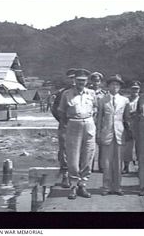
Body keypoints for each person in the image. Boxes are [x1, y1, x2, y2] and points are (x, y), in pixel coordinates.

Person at [58, 68, 97, 199]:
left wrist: (91, 123)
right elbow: (62, 112)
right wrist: (65, 127)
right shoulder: (67, 94)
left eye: (84, 80)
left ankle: (83, 185)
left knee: (88, 155)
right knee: (73, 158)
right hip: (73, 124)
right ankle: (73, 186)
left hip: (89, 124)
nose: (81, 83)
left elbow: (95, 109)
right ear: (74, 80)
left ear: (87, 81)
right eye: (79, 80)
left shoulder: (92, 93)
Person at [97, 74, 130, 196]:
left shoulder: (125, 100)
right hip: (107, 133)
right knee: (106, 162)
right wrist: (98, 133)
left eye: (117, 85)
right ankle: (106, 187)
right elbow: (99, 118)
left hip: (120, 133)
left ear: (120, 87)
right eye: (112, 84)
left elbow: (127, 119)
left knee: (118, 162)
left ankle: (117, 187)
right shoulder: (102, 100)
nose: (115, 87)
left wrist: (128, 133)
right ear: (108, 86)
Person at [51, 68, 77, 188]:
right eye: (70, 78)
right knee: (64, 150)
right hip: (65, 125)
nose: (73, 81)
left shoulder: (85, 92)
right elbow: (54, 109)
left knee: (78, 149)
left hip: (78, 124)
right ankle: (65, 175)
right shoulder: (62, 93)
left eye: (74, 78)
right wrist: (62, 120)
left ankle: (77, 176)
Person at [89, 72, 107, 173]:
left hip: (101, 121)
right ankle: (89, 165)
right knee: (90, 144)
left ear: (100, 82)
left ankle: (102, 166)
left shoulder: (104, 94)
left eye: (98, 81)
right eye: (94, 81)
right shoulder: (87, 92)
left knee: (101, 144)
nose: (96, 83)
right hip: (90, 120)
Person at [122, 80, 141, 174]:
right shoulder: (126, 100)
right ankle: (126, 166)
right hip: (128, 124)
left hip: (139, 125)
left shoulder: (141, 99)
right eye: (133, 89)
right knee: (127, 147)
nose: (135, 91)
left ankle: (139, 166)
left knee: (139, 147)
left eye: (136, 89)